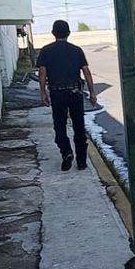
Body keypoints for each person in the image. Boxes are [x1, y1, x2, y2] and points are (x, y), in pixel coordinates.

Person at [37, 20, 98, 171]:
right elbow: (86, 72)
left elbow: (42, 73)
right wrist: (92, 93)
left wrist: (43, 92)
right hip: (75, 92)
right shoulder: (77, 50)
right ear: (69, 33)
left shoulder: (46, 50)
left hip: (57, 93)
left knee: (59, 126)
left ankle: (66, 152)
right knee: (79, 126)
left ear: (53, 33)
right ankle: (82, 162)